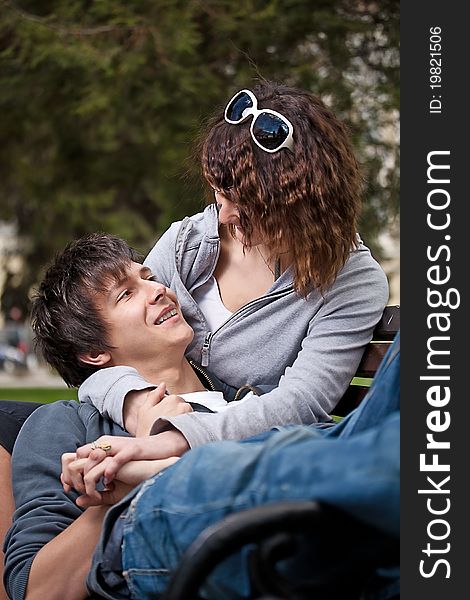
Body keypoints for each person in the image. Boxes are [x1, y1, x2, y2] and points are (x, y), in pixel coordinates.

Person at [79, 80, 389, 456]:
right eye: (218, 193)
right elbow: (110, 347)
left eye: (244, 205)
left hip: (227, 454)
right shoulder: (189, 242)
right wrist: (136, 405)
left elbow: (301, 402)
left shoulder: (350, 282)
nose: (223, 216)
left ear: (301, 206)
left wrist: (177, 437)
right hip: (138, 427)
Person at [4, 328, 399, 600]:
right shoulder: (67, 421)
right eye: (126, 294)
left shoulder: (250, 402)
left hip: (310, 492)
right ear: (95, 353)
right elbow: (35, 588)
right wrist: (131, 462)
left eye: (149, 277)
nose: (159, 288)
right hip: (161, 524)